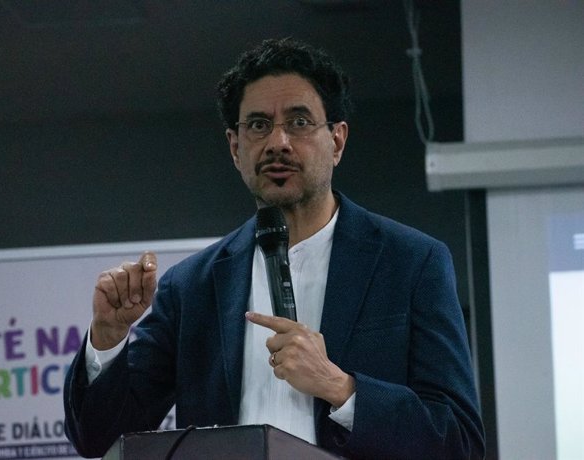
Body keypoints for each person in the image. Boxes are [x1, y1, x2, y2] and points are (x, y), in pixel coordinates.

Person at [63, 37, 485, 459]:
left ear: (336, 141)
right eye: (258, 125)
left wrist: (341, 388)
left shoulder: (411, 263)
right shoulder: (192, 287)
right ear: (235, 148)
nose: (277, 142)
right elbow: (99, 439)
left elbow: (459, 442)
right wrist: (109, 337)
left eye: (299, 122)